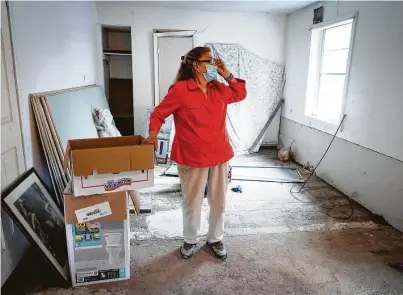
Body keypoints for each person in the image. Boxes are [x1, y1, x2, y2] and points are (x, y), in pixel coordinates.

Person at [143, 46, 247, 260]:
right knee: (193, 201)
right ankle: (190, 240)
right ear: (196, 66)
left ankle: (215, 238)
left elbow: (240, 93)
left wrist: (226, 73)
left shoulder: (219, 89)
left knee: (219, 200)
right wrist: (153, 135)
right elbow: (158, 113)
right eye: (209, 60)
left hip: (219, 154)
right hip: (192, 156)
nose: (214, 64)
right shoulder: (180, 90)